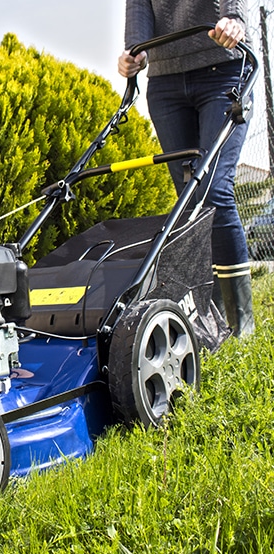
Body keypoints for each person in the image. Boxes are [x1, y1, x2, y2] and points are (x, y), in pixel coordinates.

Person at [118, 2, 255, 337]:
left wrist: (234, 19)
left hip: (222, 68)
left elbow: (232, 4)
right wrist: (134, 52)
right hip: (165, 84)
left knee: (214, 190)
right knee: (189, 199)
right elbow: (139, 10)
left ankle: (241, 325)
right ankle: (209, 319)